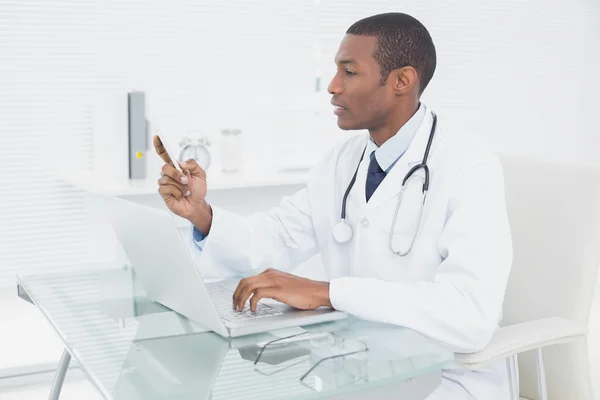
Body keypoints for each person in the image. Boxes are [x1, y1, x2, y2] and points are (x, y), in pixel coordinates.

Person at [154, 12, 513, 400]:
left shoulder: (468, 166)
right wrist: (200, 214)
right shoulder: (343, 162)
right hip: (357, 369)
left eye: (349, 72)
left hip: (446, 380)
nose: (333, 86)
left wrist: (329, 292)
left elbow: (470, 315)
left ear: (401, 81)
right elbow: (274, 237)